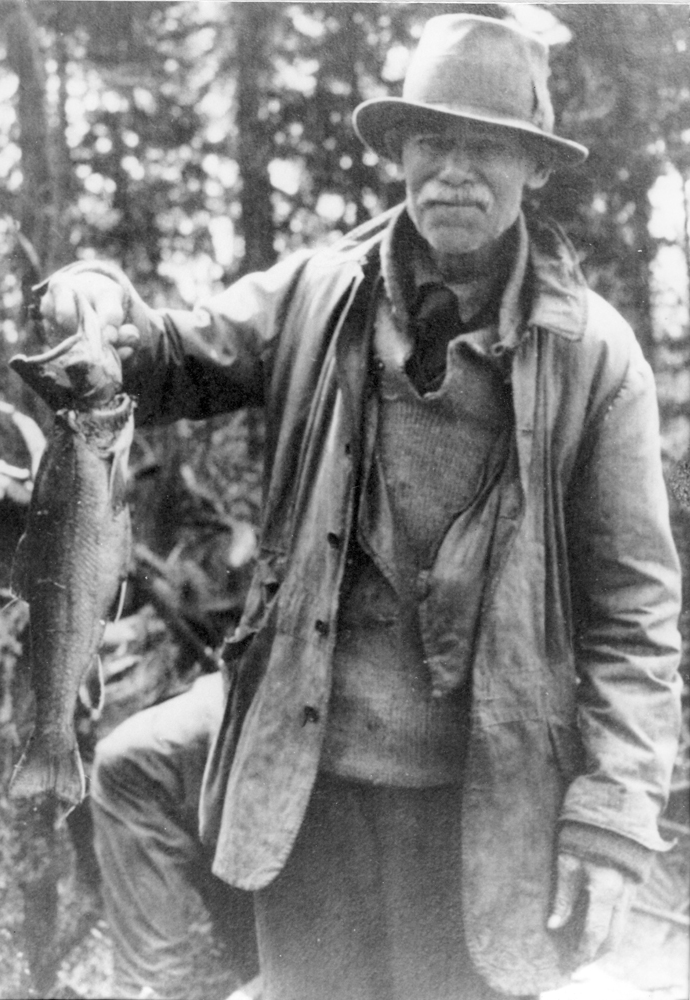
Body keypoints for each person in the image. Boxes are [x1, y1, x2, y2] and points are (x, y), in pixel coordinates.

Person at [34, 14, 683, 1000]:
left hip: (479, 804)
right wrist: (95, 304)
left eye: (486, 146)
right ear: (396, 154)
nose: (454, 172)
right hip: (311, 779)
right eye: (432, 142)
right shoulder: (317, 292)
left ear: (532, 169)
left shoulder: (592, 358)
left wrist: (610, 813)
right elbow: (166, 355)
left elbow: (634, 622)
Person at [90, 671, 260, 1000]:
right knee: (126, 763)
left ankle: (152, 984)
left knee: (126, 768)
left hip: (299, 723)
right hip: (256, 690)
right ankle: (152, 983)